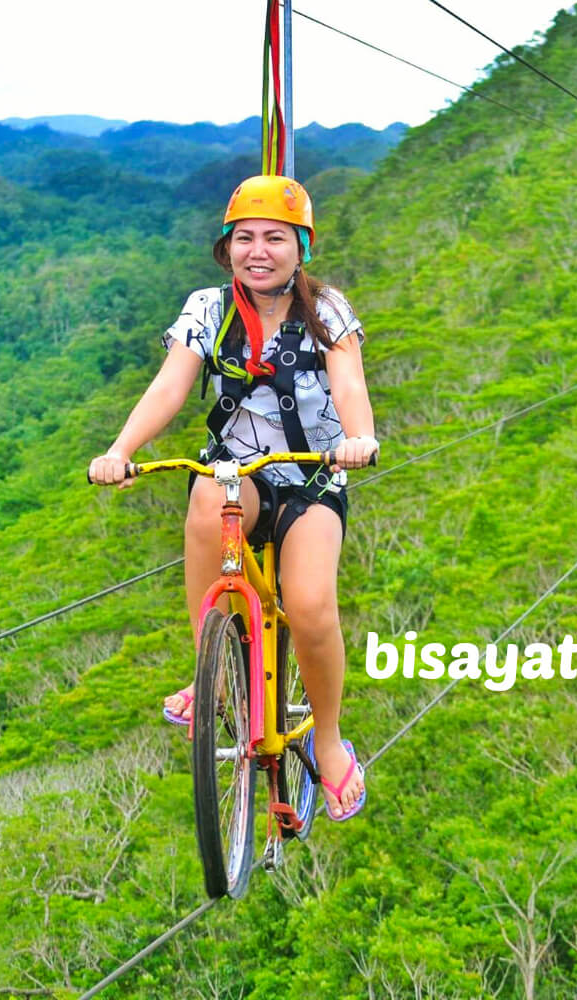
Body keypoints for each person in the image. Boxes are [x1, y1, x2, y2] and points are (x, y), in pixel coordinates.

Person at [88, 176, 377, 820]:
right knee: (206, 497)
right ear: (226, 248)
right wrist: (121, 449)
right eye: (244, 238)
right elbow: (169, 386)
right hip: (239, 470)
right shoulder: (209, 310)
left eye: (275, 237)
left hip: (311, 475)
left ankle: (329, 744)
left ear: (300, 246)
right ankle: (210, 670)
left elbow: (349, 383)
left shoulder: (326, 312)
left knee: (308, 605)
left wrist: (358, 438)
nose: (258, 251)